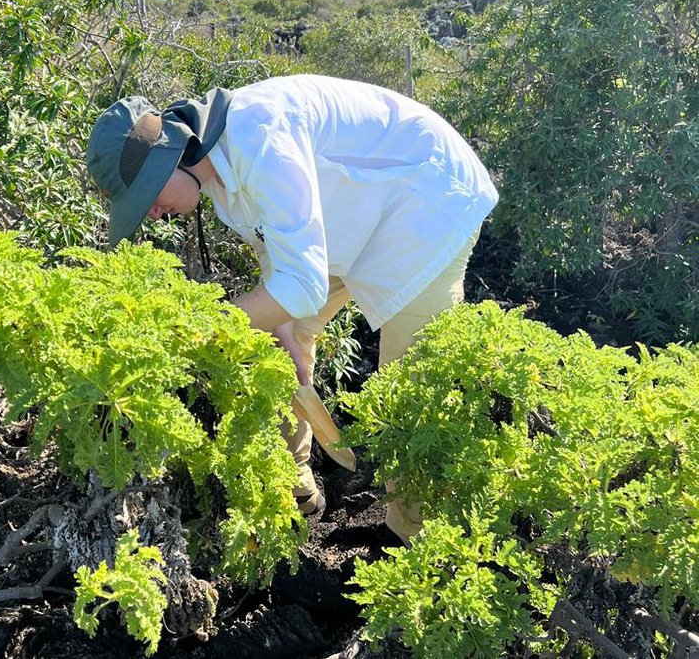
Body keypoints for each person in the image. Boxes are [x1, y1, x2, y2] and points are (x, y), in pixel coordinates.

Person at [85, 74, 498, 541]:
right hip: (355, 219)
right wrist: (281, 331)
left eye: (146, 200)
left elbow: (299, 285)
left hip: (429, 201)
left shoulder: (258, 136)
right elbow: (278, 260)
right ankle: (294, 480)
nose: (151, 215)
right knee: (275, 342)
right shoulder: (216, 170)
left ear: (165, 164)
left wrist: (202, 327)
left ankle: (414, 550)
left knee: (409, 392)